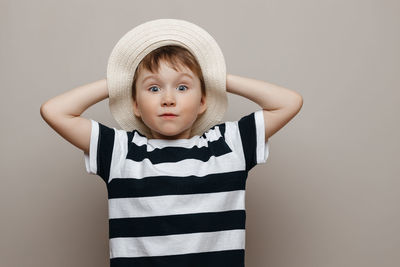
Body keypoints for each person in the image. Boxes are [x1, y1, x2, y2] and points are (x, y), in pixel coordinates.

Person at [40, 19, 303, 267]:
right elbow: (55, 111)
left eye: (182, 87)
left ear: (203, 101)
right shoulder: (121, 152)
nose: (168, 99)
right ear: (136, 105)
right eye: (153, 88)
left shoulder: (229, 146)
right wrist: (120, 81)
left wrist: (215, 78)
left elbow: (288, 103)